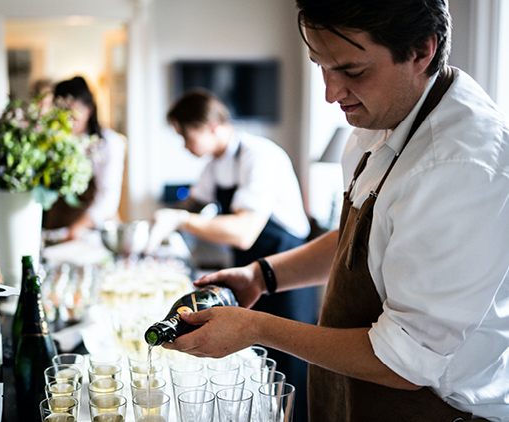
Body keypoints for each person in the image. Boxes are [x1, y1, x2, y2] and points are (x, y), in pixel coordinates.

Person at [162, 1, 509, 421]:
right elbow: (358, 241)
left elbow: (405, 361)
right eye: (321, 67)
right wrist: (262, 276)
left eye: (352, 71)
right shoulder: (382, 122)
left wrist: (256, 328)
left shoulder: (461, 166)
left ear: (421, 51)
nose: (331, 93)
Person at [147, 89, 319, 419]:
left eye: (185, 135)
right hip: (249, 274)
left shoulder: (260, 156)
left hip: (286, 272)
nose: (184, 145)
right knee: (254, 363)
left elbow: (244, 231)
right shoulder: (216, 165)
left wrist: (179, 220)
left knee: (288, 370)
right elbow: (192, 206)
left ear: (211, 127)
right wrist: (164, 222)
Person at [43, 76, 126, 240]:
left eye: (73, 113)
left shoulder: (108, 143)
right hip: (55, 228)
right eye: (61, 112)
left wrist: (76, 229)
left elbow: (107, 200)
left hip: (94, 231)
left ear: (89, 109)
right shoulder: (50, 141)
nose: (67, 120)